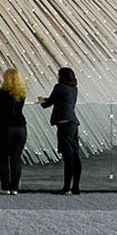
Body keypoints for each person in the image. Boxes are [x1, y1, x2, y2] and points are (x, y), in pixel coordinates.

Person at [37, 66, 81, 194]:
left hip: (64, 124)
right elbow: (60, 100)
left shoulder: (59, 87)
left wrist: (42, 101)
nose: (57, 76)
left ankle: (66, 187)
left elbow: (48, 104)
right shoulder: (74, 88)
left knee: (68, 157)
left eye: (58, 74)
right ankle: (75, 187)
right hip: (73, 122)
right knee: (75, 155)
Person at [0, 67, 27, 193]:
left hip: (5, 126)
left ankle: (5, 187)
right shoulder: (22, 93)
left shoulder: (1, 92)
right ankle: (15, 187)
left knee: (2, 156)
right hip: (20, 127)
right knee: (16, 157)